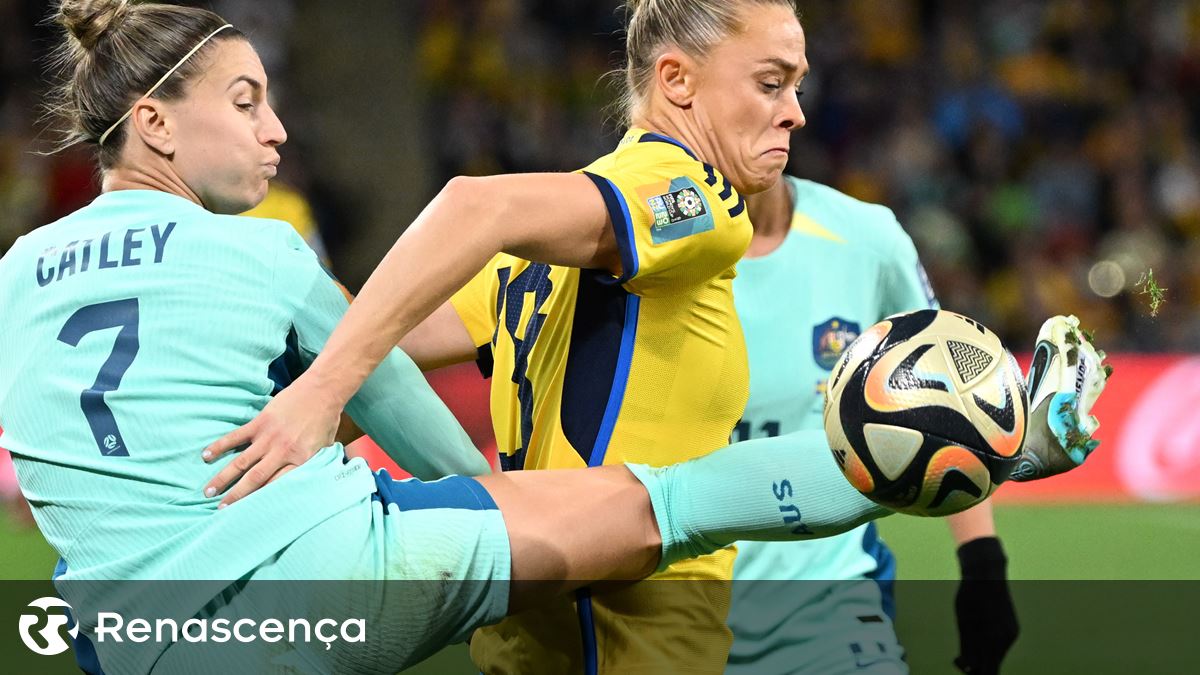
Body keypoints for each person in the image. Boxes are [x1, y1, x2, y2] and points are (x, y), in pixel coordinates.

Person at [1, 1, 1106, 673]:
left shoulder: (16, 277)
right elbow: (420, 284)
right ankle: (1012, 441)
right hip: (615, 623)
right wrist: (323, 392)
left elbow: (404, 337)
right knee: (677, 498)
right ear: (676, 83)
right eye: (770, 84)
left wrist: (453, 474)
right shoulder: (674, 193)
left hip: (153, 634)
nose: (796, 113)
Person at [725, 175, 1018, 675]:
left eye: (792, 92)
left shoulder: (867, 238)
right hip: (675, 617)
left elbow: (950, 399)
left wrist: (983, 565)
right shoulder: (638, 249)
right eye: (767, 89)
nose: (789, 115)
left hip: (834, 614)